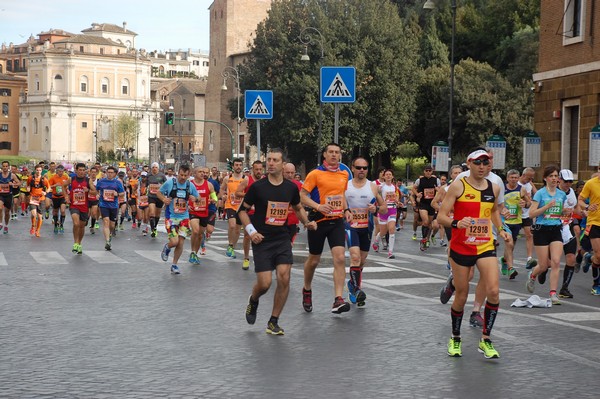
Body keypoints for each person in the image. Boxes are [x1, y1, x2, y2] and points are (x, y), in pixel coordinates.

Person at [438, 149, 510, 359]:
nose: (482, 167)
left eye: (485, 163)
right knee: (461, 294)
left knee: (494, 291)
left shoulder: (494, 188)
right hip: (461, 247)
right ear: (469, 164)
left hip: (485, 245)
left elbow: (493, 211)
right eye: (478, 162)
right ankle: (455, 337)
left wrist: (502, 229)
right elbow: (441, 216)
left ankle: (486, 339)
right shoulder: (458, 186)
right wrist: (457, 223)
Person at [240, 148, 317, 335]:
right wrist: (252, 232)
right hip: (262, 240)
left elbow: (298, 207)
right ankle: (254, 299)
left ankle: (273, 321)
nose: (271, 163)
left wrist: (306, 222)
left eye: (275, 160)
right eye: (269, 160)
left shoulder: (290, 188)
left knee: (284, 277)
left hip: (281, 238)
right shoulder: (258, 187)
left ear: (283, 164)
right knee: (265, 284)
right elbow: (242, 211)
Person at [301, 143, 353, 314]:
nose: (333, 155)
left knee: (339, 258)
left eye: (337, 152)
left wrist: (346, 210)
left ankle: (338, 299)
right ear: (324, 155)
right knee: (314, 260)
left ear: (340, 156)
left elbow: (342, 195)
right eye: (330, 152)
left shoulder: (344, 174)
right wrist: (318, 206)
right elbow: (302, 196)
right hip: (318, 221)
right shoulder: (315, 174)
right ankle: (307, 289)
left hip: (336, 221)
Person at [345, 157, 386, 307]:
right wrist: (345, 211)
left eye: (365, 168)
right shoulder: (346, 185)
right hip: (350, 227)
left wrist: (376, 209)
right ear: (353, 168)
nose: (362, 170)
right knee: (355, 258)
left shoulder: (373, 187)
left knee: (361, 261)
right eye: (359, 167)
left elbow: (384, 208)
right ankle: (356, 290)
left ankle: (352, 284)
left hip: (366, 227)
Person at [525, 165, 568, 305]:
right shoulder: (540, 194)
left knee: (556, 261)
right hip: (541, 230)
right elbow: (532, 213)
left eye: (556, 176)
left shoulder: (561, 194)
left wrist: (565, 212)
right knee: (543, 265)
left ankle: (553, 293)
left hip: (556, 229)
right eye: (551, 176)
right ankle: (532, 275)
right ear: (545, 178)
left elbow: (559, 212)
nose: (554, 179)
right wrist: (546, 207)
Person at [157, 164, 199, 275]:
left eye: (185, 175)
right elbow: (158, 192)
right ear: (178, 173)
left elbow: (198, 197)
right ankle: (167, 247)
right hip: (171, 217)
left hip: (184, 218)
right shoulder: (170, 183)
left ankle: (174, 264)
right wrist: (164, 199)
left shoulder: (190, 185)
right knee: (174, 242)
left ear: (189, 175)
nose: (183, 177)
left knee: (180, 243)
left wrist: (195, 198)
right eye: (181, 174)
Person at [499, 169, 528, 279]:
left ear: (519, 178)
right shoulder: (502, 190)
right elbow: (496, 204)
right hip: (505, 221)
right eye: (512, 177)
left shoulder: (522, 190)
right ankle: (511, 268)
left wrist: (524, 204)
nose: (514, 179)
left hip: (517, 221)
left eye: (516, 177)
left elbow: (529, 203)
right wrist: (502, 211)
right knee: (509, 243)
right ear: (507, 178)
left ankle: (504, 260)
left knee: (511, 246)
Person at [555, 169, 580, 298]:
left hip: (568, 227)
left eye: (570, 182)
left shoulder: (572, 193)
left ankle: (564, 288)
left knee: (571, 258)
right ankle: (538, 272)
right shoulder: (553, 192)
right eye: (566, 181)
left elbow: (575, 208)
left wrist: (584, 211)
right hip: (554, 227)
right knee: (549, 262)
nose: (568, 184)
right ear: (559, 180)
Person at [235, 160, 264, 269]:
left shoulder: (265, 180)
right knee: (248, 236)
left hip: (261, 214)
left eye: (260, 169)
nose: (259, 171)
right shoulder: (247, 180)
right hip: (248, 214)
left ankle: (260, 258)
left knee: (261, 236)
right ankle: (246, 258)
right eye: (256, 169)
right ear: (252, 169)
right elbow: (237, 193)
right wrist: (248, 195)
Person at [578, 166, 600, 295]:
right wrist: (587, 206)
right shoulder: (591, 183)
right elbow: (580, 199)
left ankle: (587, 257)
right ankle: (596, 285)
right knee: (599, 255)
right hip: (594, 222)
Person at [65, 163, 96, 255]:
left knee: (82, 226)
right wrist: (66, 196)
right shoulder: (72, 179)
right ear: (76, 170)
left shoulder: (88, 180)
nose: (82, 172)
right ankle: (75, 243)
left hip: (84, 206)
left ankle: (79, 243)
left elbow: (95, 192)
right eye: (80, 170)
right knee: (76, 223)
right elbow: (63, 186)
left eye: (83, 170)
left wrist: (89, 191)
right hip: (74, 205)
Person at [188, 167, 217, 263]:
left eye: (203, 172)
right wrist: (187, 205)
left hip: (204, 212)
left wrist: (213, 200)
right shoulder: (190, 184)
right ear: (194, 173)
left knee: (200, 235)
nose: (202, 174)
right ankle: (192, 251)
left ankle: (195, 254)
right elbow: (183, 196)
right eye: (200, 172)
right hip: (193, 212)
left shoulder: (209, 185)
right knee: (195, 232)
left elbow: (214, 197)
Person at [220, 158, 245, 258]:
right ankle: (230, 244)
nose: (238, 167)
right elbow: (222, 189)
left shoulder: (245, 179)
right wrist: (223, 196)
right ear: (233, 166)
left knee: (238, 230)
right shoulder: (227, 178)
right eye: (236, 165)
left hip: (241, 206)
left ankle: (232, 248)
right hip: (230, 204)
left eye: (240, 165)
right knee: (232, 225)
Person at [95, 166, 125, 250]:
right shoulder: (101, 181)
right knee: (106, 221)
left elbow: (122, 193)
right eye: (108, 172)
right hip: (103, 204)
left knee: (112, 225)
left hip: (114, 206)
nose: (110, 174)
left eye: (112, 172)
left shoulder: (117, 182)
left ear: (115, 174)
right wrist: (97, 194)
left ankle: (110, 234)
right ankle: (107, 241)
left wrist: (117, 194)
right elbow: (96, 190)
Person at [412, 164, 440, 251]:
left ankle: (427, 238)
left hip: (432, 204)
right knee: (425, 221)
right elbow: (413, 188)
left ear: (432, 172)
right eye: (426, 171)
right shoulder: (419, 180)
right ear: (424, 171)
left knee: (429, 224)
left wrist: (437, 191)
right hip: (423, 204)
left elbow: (440, 190)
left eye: (429, 171)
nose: (428, 172)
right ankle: (423, 240)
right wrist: (417, 194)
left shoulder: (436, 180)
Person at [373, 169, 399, 259]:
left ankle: (390, 252)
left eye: (390, 174)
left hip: (392, 210)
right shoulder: (380, 187)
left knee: (392, 229)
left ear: (392, 176)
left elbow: (396, 198)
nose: (388, 176)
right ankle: (376, 241)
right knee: (383, 232)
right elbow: (375, 195)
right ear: (383, 177)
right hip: (383, 211)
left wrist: (398, 202)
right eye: (386, 174)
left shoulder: (394, 187)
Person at [520, 167, 538, 269]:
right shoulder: (517, 184)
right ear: (523, 175)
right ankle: (505, 259)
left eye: (532, 178)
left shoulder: (530, 185)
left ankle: (529, 258)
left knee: (529, 235)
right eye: (529, 178)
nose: (530, 180)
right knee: (511, 241)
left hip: (527, 214)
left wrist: (532, 184)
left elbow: (537, 194)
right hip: (516, 215)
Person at [27, 165, 50, 237]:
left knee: (40, 217)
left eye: (40, 170)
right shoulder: (31, 178)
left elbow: (49, 188)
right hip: (33, 198)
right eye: (37, 170)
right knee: (34, 214)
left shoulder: (44, 179)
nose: (38, 171)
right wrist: (28, 188)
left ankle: (38, 230)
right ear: (35, 170)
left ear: (41, 171)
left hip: (41, 199)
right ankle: (33, 226)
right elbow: (27, 185)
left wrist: (45, 192)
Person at [283, 162, 303, 242]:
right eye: (288, 173)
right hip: (279, 220)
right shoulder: (278, 183)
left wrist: (303, 220)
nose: (290, 175)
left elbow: (301, 202)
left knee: (289, 245)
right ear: (283, 172)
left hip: (293, 220)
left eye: (292, 173)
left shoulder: (298, 185)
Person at [147, 162, 167, 237]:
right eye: (153, 167)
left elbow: (166, 184)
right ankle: (153, 229)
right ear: (151, 168)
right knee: (152, 213)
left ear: (158, 168)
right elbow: (145, 185)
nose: (154, 169)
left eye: (156, 167)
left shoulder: (162, 175)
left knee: (157, 214)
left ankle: (155, 226)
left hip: (159, 197)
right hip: (151, 196)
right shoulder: (148, 175)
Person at [0, 161, 21, 234]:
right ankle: (0, 224)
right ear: (2, 167)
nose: (5, 168)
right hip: (1, 195)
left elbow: (19, 183)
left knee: (7, 212)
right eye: (4, 166)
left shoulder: (12, 175)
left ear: (8, 167)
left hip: (8, 195)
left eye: (6, 166)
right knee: (0, 208)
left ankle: (6, 225)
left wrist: (12, 184)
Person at [49, 164, 70, 234]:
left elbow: (67, 186)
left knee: (63, 211)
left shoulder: (65, 178)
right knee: (55, 212)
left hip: (62, 197)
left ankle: (61, 224)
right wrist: (55, 185)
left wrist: (67, 190)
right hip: (55, 197)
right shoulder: (53, 178)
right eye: (59, 171)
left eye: (62, 171)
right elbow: (48, 187)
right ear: (57, 171)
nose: (61, 173)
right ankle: (55, 225)